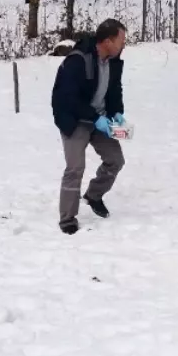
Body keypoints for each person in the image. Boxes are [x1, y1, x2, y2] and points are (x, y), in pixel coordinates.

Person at [52, 19, 128, 234]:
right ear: (107, 41)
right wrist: (95, 118)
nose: (124, 44)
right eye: (121, 40)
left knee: (116, 160)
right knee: (75, 168)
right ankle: (67, 218)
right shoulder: (77, 61)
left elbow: (114, 90)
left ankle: (93, 195)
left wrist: (117, 113)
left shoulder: (113, 60)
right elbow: (68, 99)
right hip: (74, 119)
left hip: (99, 118)